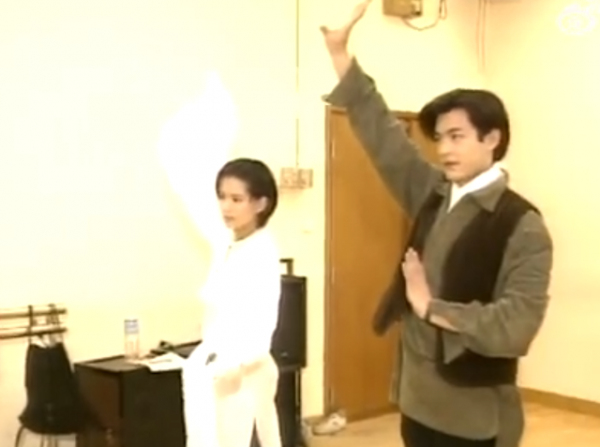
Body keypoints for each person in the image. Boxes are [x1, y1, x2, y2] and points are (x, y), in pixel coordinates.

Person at [321, 1, 553, 447]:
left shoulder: (521, 224)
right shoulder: (433, 193)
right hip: (417, 402)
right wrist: (339, 54)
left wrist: (431, 307)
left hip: (474, 417)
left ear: (492, 138)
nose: (444, 149)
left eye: (457, 136)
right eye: (440, 138)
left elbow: (516, 325)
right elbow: (384, 137)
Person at [180, 157, 282, 447]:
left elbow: (264, 320)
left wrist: (238, 363)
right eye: (222, 197)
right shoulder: (226, 243)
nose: (226, 207)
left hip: (243, 370)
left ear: (260, 204)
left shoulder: (262, 254)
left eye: (237, 199)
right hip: (213, 365)